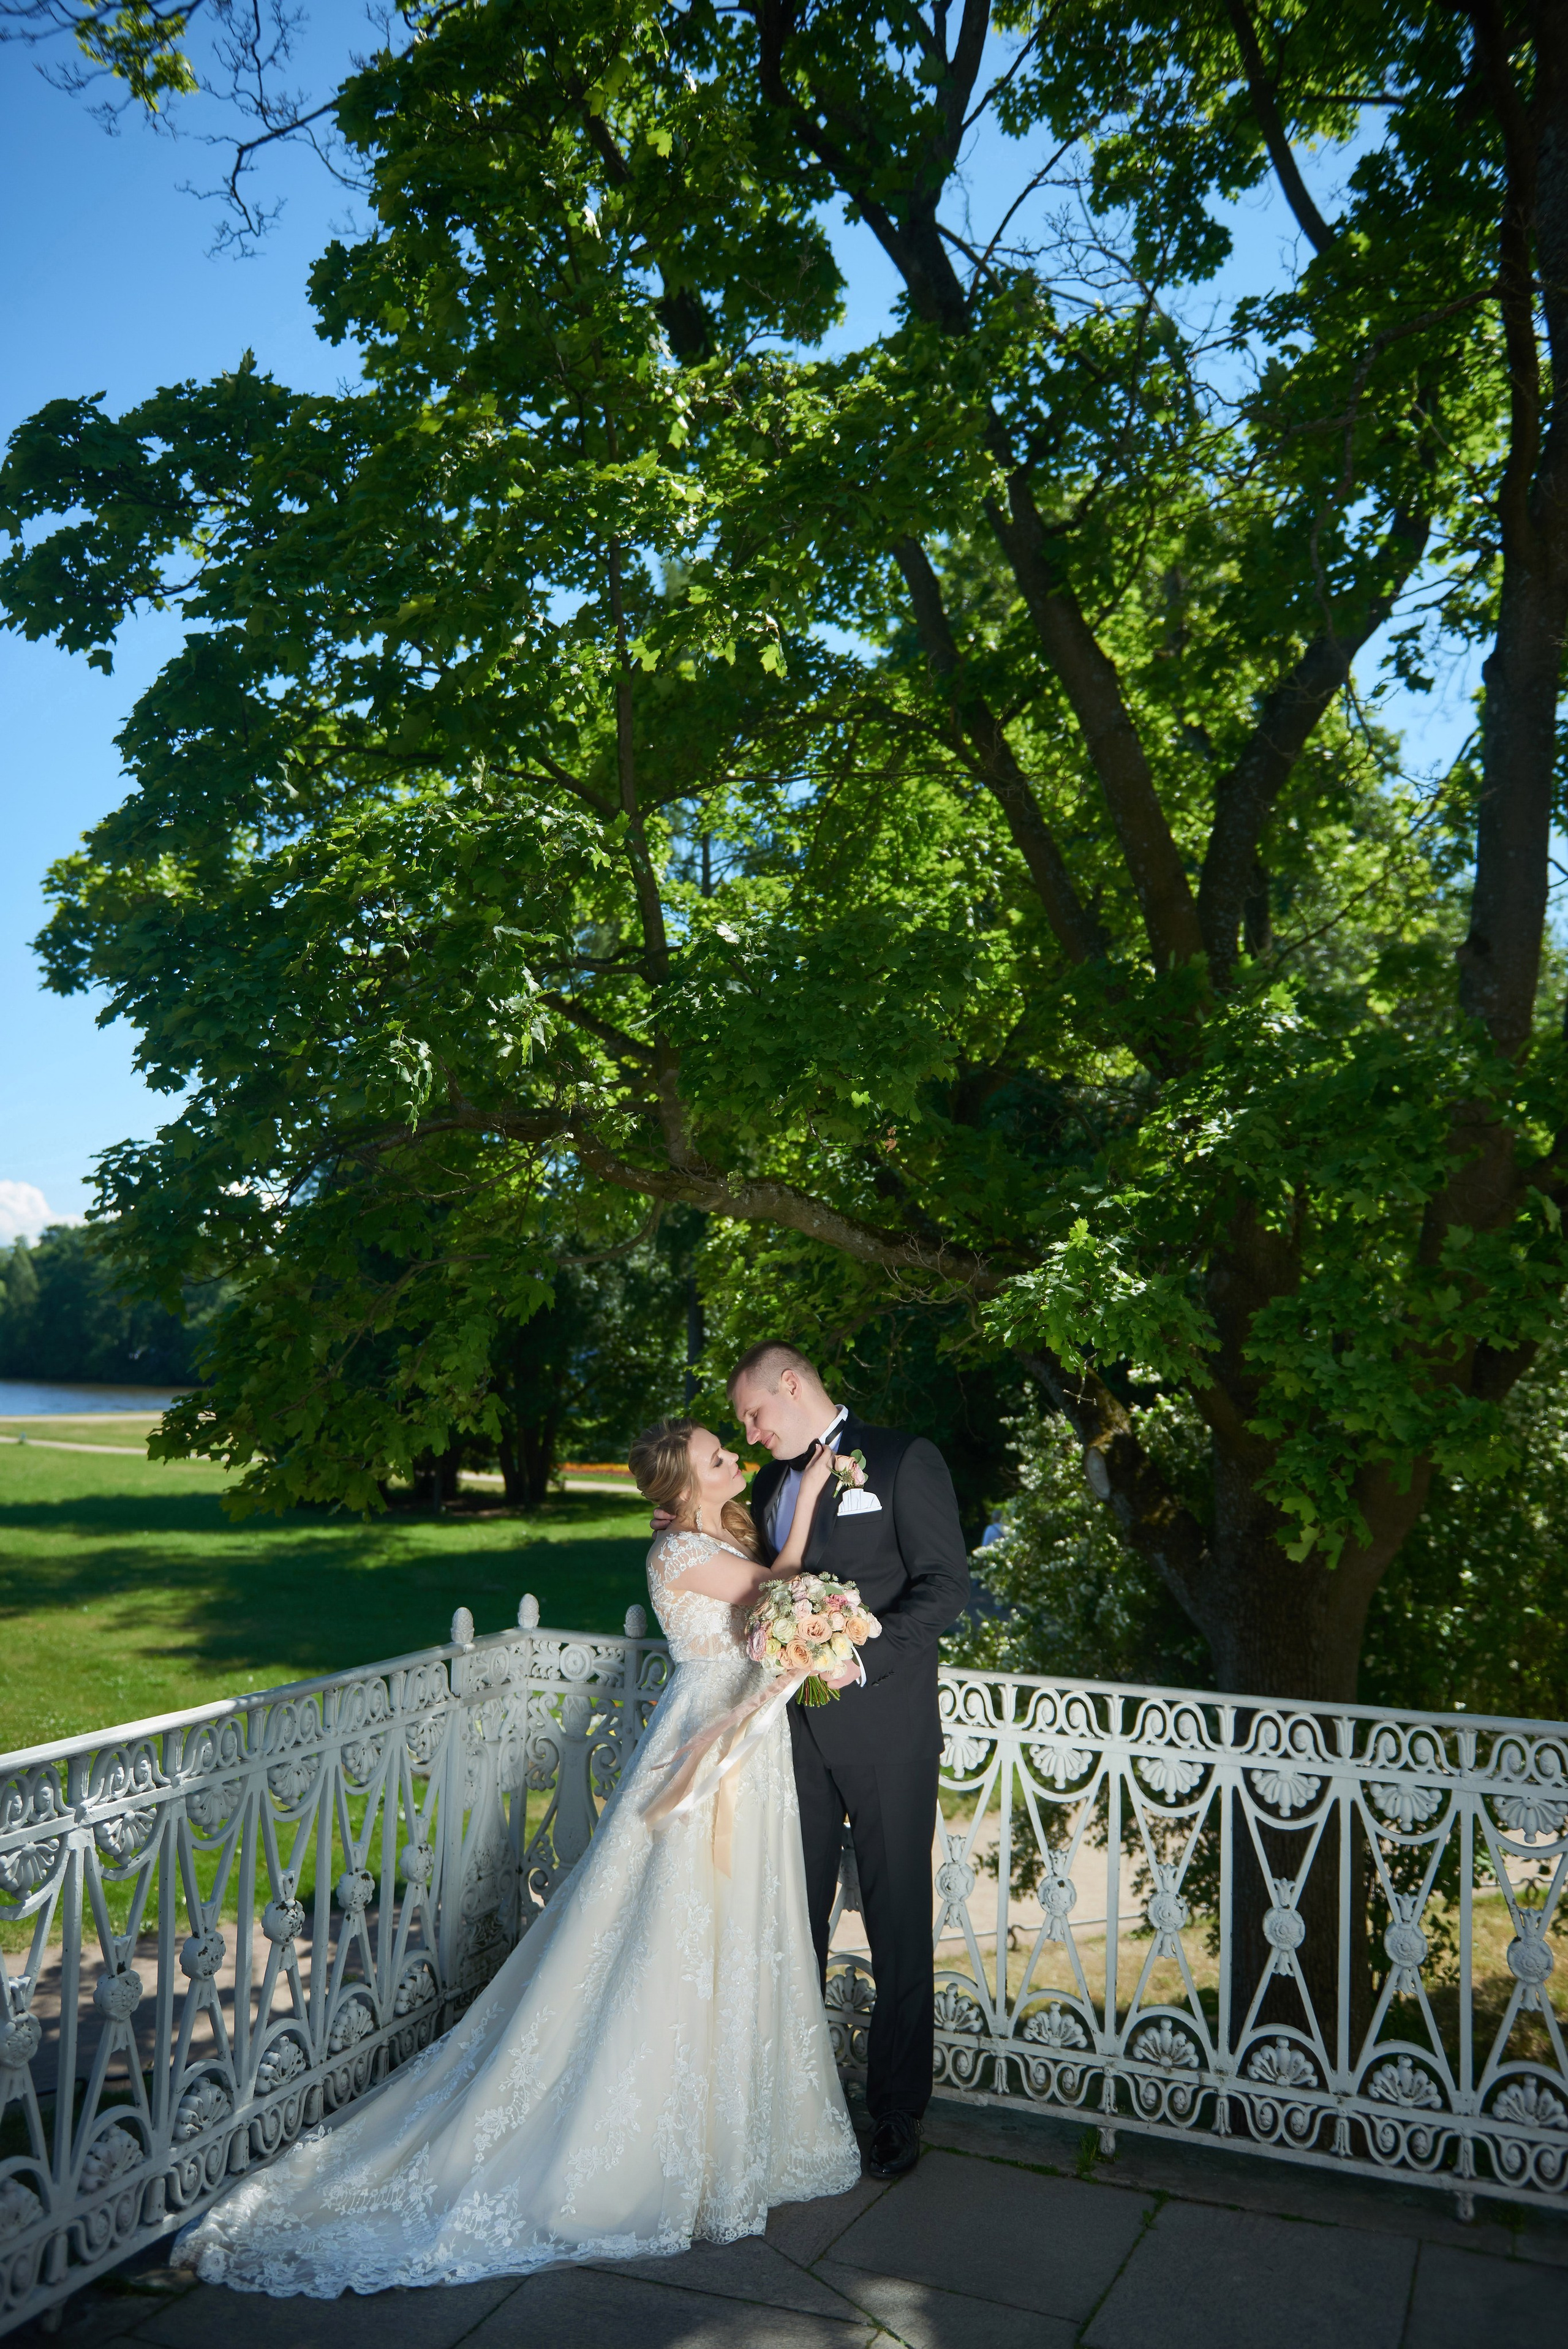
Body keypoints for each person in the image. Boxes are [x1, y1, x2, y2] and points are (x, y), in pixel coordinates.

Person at [171, 1420, 859, 2296]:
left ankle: (736, 2137)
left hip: (742, 1747)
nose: (732, 1458)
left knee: (737, 1922)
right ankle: (635, 2137)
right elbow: (778, 1589)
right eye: (715, 1455)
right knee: (669, 1924)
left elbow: (769, 1605)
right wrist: (818, 1515)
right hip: (699, 1751)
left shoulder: (715, 1530)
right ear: (681, 1481)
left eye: (730, 1447)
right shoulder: (681, 1549)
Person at [729, 1343, 971, 2183]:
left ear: (790, 1385)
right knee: (790, 1917)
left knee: (898, 1917)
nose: (753, 1434)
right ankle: (789, 2100)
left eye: (755, 1414)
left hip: (888, 1730)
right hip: (789, 1735)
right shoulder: (767, 1489)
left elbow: (944, 1586)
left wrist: (859, 1656)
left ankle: (897, 2110)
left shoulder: (903, 1461)